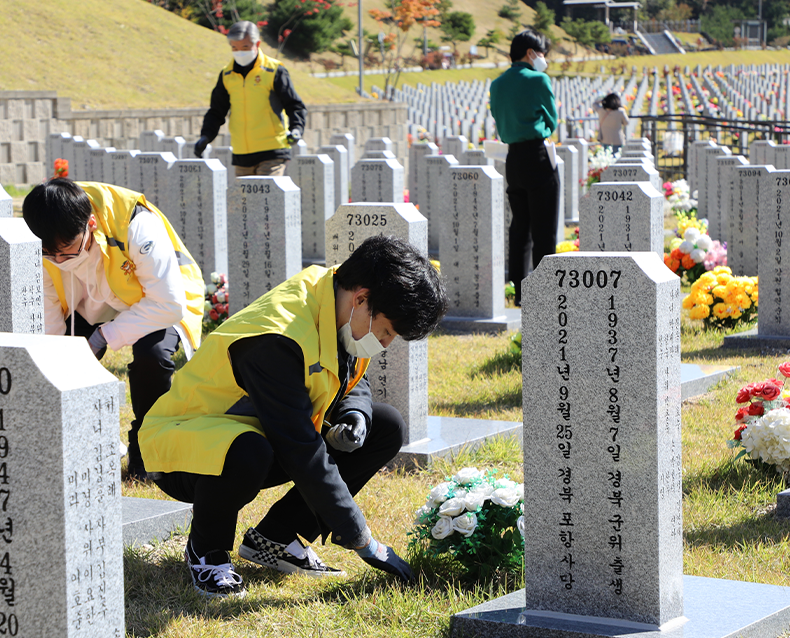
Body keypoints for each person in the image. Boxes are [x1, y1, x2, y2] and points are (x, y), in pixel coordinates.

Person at [139, 235, 448, 598]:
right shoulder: (278, 337)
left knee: (386, 427)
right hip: (183, 448)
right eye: (386, 332)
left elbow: (348, 373)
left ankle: (276, 536)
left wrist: (355, 414)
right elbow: (300, 448)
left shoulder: (336, 296)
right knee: (249, 450)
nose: (383, 344)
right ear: (362, 299)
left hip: (257, 434)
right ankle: (207, 551)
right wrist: (362, 538)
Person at [22, 179, 205, 480]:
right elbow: (52, 321)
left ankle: (147, 446)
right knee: (62, 358)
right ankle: (91, 444)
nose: (58, 261)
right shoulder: (46, 244)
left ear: (91, 224)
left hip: (154, 297)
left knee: (153, 356)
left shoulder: (136, 224)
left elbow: (168, 304)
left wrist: (104, 336)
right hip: (88, 300)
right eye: (49, 253)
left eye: (67, 250)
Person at [489, 28, 559, 307]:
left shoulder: (497, 84)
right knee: (544, 228)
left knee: (519, 227)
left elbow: (497, 116)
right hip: (538, 155)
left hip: (513, 159)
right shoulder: (538, 79)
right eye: (542, 54)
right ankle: (545, 291)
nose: (544, 59)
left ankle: (520, 291)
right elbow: (551, 120)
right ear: (531, 53)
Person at [194, 20, 307, 177]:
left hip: (272, 150)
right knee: (246, 201)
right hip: (241, 152)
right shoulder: (227, 75)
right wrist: (206, 136)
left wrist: (296, 129)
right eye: (235, 48)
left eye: (245, 47)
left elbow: (294, 105)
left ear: (257, 44)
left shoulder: (274, 70)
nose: (240, 52)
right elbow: (217, 111)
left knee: (266, 198)